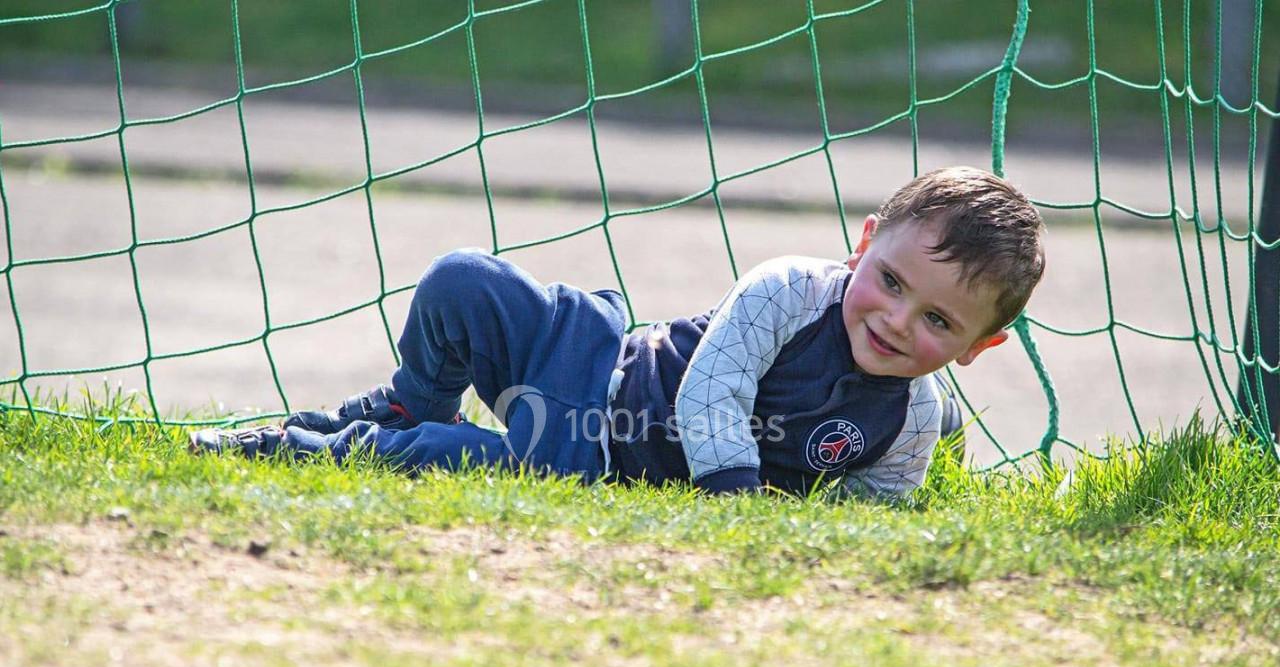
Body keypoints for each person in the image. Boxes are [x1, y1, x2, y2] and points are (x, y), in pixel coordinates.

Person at [190, 166, 1045, 499]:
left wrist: (804, 528)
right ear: (862, 244)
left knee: (450, 462)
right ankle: (409, 402)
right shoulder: (791, 289)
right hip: (597, 357)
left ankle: (296, 447)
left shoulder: (909, 423)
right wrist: (734, 498)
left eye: (937, 320)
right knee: (461, 280)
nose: (895, 320)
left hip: (595, 458)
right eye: (890, 282)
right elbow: (714, 387)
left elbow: (870, 510)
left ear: (978, 348)